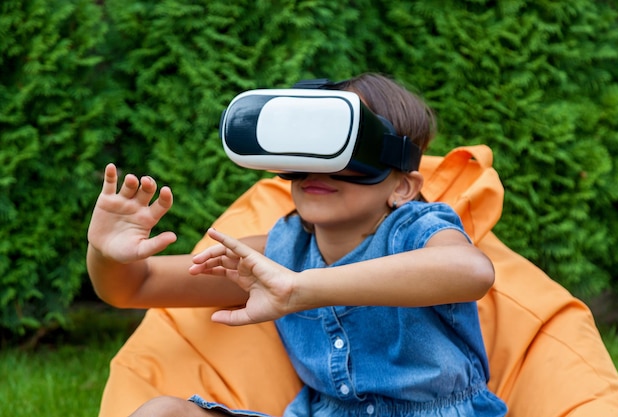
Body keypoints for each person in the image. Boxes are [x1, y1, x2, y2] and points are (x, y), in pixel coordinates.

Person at [87, 73, 508, 416]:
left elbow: (471, 271)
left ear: (401, 186)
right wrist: (107, 253)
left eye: (345, 148)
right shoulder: (280, 252)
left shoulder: (415, 230)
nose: (317, 169)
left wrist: (300, 289)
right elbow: (134, 288)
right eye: (309, 148)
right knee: (162, 414)